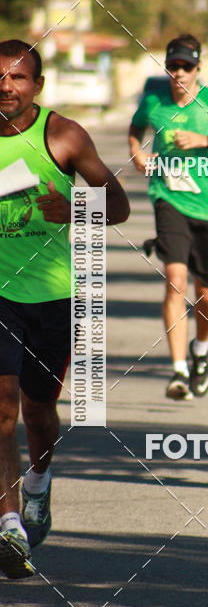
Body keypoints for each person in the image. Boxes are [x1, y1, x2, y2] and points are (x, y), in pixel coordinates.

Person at [0, 39, 130, 579]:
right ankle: (9, 525)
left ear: (37, 86)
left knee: (38, 412)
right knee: (2, 409)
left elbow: (118, 206)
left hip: (53, 296)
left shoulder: (63, 136)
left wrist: (76, 207)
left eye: (17, 78)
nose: (5, 87)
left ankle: (38, 481)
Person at [129, 35, 208, 401]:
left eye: (186, 66)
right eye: (173, 66)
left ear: (199, 68)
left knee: (205, 292)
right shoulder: (153, 100)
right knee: (175, 280)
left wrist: (204, 142)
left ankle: (200, 350)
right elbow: (136, 129)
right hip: (169, 198)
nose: (179, 72)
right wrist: (137, 153)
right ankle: (179, 369)